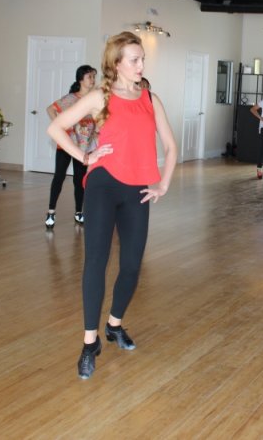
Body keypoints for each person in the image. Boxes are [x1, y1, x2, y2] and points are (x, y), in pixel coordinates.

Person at [47, 31, 177, 380]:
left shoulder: (151, 98)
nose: (140, 65)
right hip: (103, 185)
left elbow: (170, 145)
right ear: (116, 64)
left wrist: (163, 183)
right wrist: (85, 156)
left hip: (138, 189)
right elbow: (57, 127)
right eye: (134, 59)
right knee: (96, 263)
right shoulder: (98, 97)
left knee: (132, 266)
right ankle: (90, 343)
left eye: (142, 59)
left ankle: (114, 324)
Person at [44, 65, 98, 228]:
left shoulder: (94, 99)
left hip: (84, 148)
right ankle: (51, 212)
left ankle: (78, 212)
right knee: (59, 177)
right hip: (66, 145)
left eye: (94, 77)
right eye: (90, 77)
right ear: (80, 79)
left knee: (79, 180)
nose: (93, 80)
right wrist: (61, 128)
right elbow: (50, 109)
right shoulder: (71, 98)